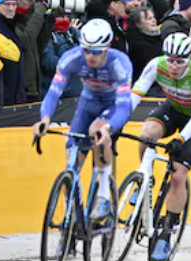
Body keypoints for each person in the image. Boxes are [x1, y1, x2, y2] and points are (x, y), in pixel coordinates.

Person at [32, 19, 133, 221]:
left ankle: (103, 196)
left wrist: (108, 127)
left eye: (96, 52)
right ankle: (71, 220)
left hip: (113, 105)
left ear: (107, 48)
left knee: (97, 130)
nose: (90, 56)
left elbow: (123, 106)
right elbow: (53, 93)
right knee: (71, 166)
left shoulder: (120, 63)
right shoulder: (72, 58)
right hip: (88, 103)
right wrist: (44, 119)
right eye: (86, 50)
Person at [130, 32, 191, 261]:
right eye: (170, 59)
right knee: (146, 134)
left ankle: (167, 231)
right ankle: (145, 180)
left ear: (190, 58)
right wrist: (116, 122)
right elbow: (135, 95)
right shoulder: (156, 65)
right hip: (173, 109)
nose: (174, 65)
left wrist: (181, 139)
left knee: (178, 175)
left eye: (180, 61)